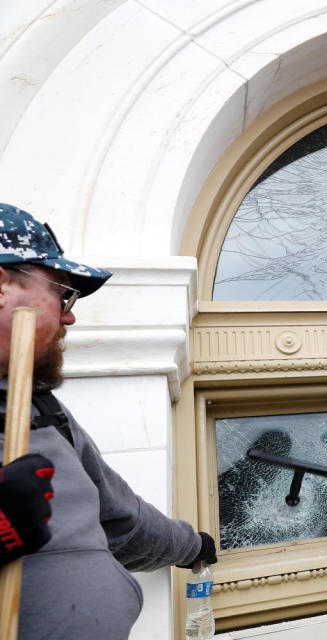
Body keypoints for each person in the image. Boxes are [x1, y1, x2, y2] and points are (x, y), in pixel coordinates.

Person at [0, 204, 217, 639]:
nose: (69, 315)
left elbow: (124, 524)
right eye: (63, 292)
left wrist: (192, 545)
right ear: (2, 286)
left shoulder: (45, 412)